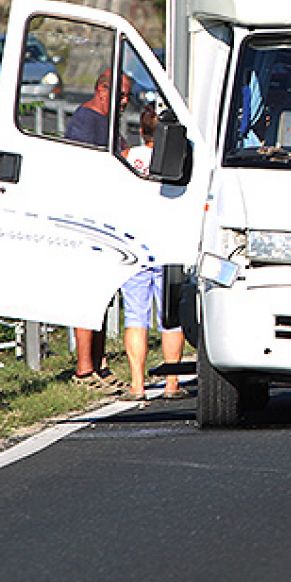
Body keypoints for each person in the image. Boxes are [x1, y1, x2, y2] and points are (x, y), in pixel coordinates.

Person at [64, 69, 131, 393]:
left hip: (107, 222)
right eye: (121, 95)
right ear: (102, 90)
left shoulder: (108, 122)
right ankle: (83, 369)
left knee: (102, 297)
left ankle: (100, 364)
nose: (125, 102)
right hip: (86, 222)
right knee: (86, 296)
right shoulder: (85, 120)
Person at [121, 108, 188, 401]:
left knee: (136, 316)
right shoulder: (180, 161)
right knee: (170, 317)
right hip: (168, 245)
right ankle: (171, 383)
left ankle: (137, 385)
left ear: (141, 132)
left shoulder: (126, 158)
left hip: (134, 244)